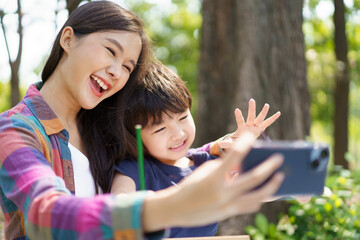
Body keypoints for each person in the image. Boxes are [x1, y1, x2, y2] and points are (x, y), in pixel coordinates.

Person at [0, 1, 284, 240]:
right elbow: (46, 213)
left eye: (127, 67)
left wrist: (217, 149)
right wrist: (170, 206)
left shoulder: (103, 127)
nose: (116, 72)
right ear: (68, 39)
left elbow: (163, 158)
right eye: (110, 51)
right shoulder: (15, 129)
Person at [109, 61, 281, 238]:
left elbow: (259, 189)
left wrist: (252, 156)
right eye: (160, 129)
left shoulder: (207, 163)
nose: (178, 134)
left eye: (183, 117)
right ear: (135, 136)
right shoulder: (134, 169)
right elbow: (117, 206)